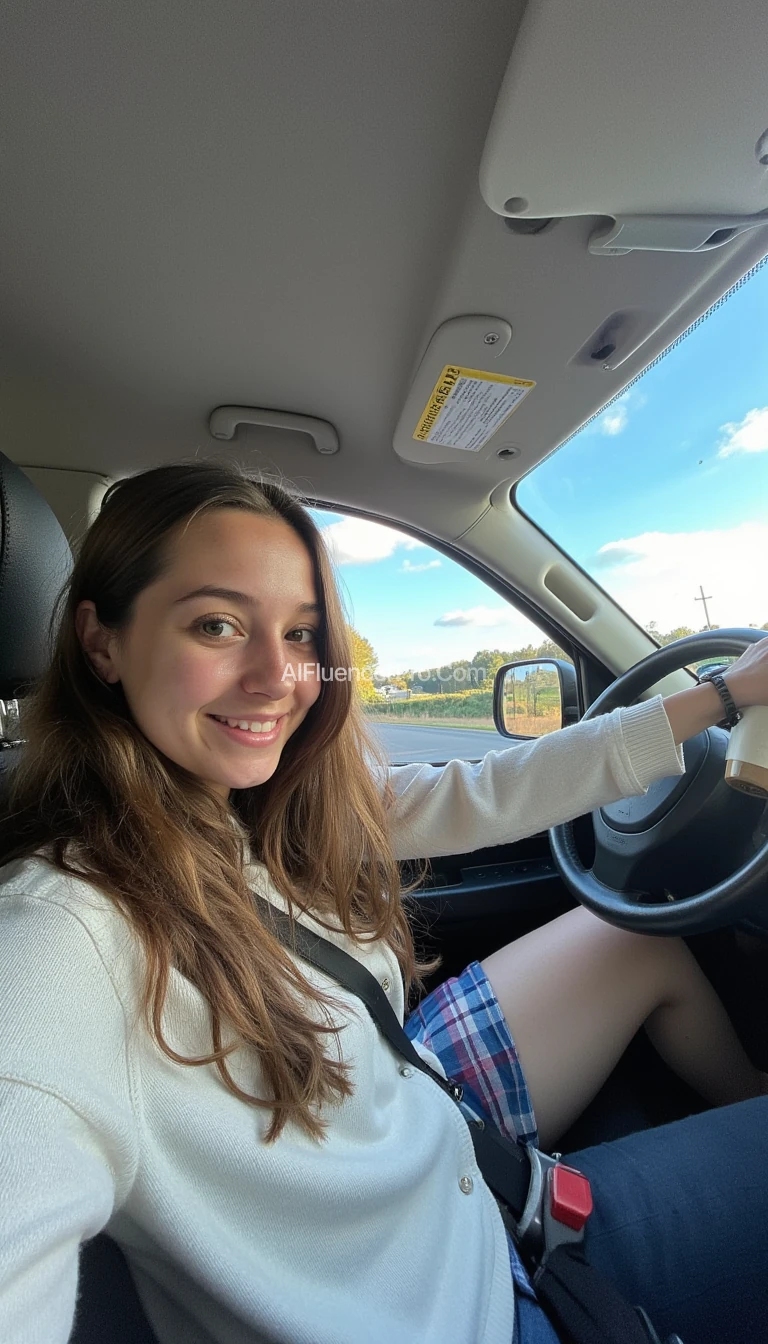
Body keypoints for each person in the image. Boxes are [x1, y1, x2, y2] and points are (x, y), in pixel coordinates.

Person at [0, 460, 767, 1344]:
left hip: (442, 1140)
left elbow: (485, 789)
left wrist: (718, 696)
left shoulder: (267, 803)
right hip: (475, 1308)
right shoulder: (57, 937)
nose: (276, 678)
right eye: (216, 625)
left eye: (299, 634)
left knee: (632, 938)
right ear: (102, 643)